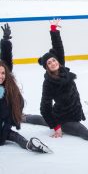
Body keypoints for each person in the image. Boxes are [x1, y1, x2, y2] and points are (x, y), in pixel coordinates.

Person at [23, 19, 88, 145]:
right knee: (79, 129)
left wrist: (54, 30)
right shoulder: (48, 83)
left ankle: (23, 117)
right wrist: (56, 126)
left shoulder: (63, 70)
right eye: (49, 63)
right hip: (61, 118)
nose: (53, 63)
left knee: (41, 120)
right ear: (46, 67)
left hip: (73, 112)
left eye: (54, 60)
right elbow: (45, 107)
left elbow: (58, 47)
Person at [0, 23, 51, 153]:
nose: (1, 76)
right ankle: (30, 144)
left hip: (11, 116)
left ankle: (54, 122)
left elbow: (6, 59)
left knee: (26, 118)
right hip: (4, 124)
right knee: (15, 137)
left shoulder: (8, 86)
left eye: (3, 73)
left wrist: (6, 40)